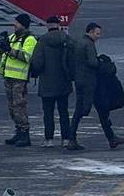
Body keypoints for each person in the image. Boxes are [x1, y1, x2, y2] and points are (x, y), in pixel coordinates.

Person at [67, 22, 124, 150]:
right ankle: (71, 138)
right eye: (97, 33)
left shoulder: (79, 42)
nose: (98, 36)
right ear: (90, 32)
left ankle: (111, 138)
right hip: (89, 82)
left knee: (100, 110)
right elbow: (92, 62)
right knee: (83, 110)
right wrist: (103, 63)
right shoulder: (88, 44)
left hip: (80, 80)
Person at [0, 13, 37, 147]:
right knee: (12, 107)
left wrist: (8, 49)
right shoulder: (12, 37)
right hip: (8, 76)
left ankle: (25, 133)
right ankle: (18, 131)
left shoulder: (30, 40)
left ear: (23, 24)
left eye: (17, 23)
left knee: (19, 106)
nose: (14, 25)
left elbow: (26, 57)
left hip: (19, 78)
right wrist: (1, 46)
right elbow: (5, 54)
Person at [33, 15, 73, 148]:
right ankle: (66, 139)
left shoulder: (42, 40)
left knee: (48, 113)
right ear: (58, 25)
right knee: (64, 112)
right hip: (63, 81)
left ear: (47, 25)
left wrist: (35, 73)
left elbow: (38, 62)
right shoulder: (66, 39)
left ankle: (49, 140)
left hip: (47, 82)